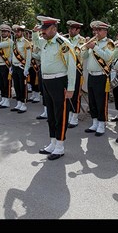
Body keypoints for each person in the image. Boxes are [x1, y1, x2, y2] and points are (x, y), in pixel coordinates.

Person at [33, 16, 76, 160]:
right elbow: (35, 42)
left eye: (45, 30)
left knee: (60, 114)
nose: (42, 33)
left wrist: (70, 88)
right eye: (42, 30)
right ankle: (52, 142)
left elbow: (71, 66)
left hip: (59, 82)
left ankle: (60, 145)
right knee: (50, 114)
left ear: (54, 29)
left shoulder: (62, 43)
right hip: (47, 82)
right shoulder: (45, 42)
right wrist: (34, 33)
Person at [82, 21, 114, 136]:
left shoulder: (109, 43)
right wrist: (86, 47)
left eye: (99, 30)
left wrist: (94, 47)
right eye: (94, 30)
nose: (96, 32)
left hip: (102, 75)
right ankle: (94, 122)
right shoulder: (93, 42)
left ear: (105, 31)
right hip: (91, 75)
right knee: (92, 101)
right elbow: (83, 56)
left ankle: (102, 123)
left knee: (101, 101)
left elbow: (107, 57)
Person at [66, 20, 86, 128]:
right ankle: (69, 114)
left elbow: (80, 54)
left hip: (77, 70)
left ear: (78, 30)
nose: (70, 30)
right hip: (66, 69)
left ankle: (75, 116)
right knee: (67, 93)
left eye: (72, 28)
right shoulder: (66, 40)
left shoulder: (82, 41)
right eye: (69, 28)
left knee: (75, 94)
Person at [10, 24, 32, 113]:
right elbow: (12, 55)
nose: (16, 33)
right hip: (15, 66)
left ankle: (23, 104)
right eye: (15, 32)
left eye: (18, 31)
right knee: (16, 86)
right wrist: (11, 66)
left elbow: (29, 57)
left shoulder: (26, 43)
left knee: (22, 86)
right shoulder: (14, 43)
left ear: (22, 32)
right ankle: (18, 103)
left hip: (21, 67)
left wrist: (26, 68)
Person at [0, 24, 13, 108]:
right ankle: (3, 98)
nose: (3, 33)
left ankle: (7, 100)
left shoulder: (9, 42)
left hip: (7, 65)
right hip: (0, 64)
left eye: (5, 31)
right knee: (1, 83)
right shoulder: (0, 42)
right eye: (2, 31)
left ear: (9, 33)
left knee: (6, 83)